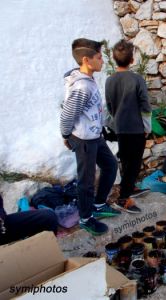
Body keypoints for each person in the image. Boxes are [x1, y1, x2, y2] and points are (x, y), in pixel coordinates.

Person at [60, 38, 120, 236]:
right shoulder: (81, 87)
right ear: (86, 60)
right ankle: (86, 218)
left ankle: (99, 204)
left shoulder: (88, 79)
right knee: (85, 181)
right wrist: (66, 135)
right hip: (84, 139)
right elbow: (69, 114)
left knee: (110, 165)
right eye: (99, 57)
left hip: (95, 135)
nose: (102, 61)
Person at [105, 40, 152, 213]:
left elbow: (109, 106)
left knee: (126, 160)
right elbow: (145, 106)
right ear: (132, 60)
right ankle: (123, 198)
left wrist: (116, 122)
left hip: (120, 128)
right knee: (134, 163)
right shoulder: (137, 79)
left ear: (114, 59)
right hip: (136, 129)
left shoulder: (109, 80)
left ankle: (130, 187)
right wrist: (147, 127)